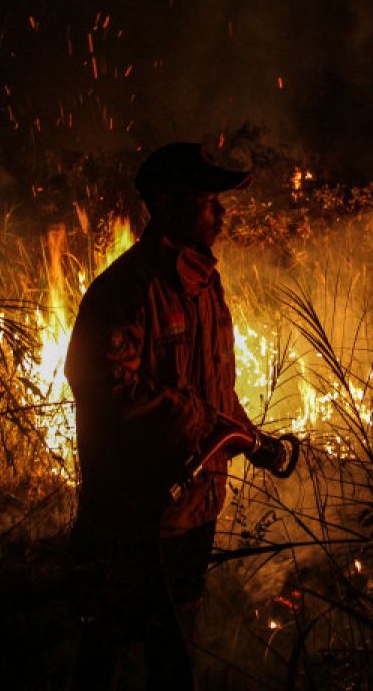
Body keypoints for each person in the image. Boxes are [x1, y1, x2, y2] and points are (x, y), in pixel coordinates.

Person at [64, 142, 259, 689]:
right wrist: (200, 420)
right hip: (140, 515)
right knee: (121, 647)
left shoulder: (205, 285)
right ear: (169, 206)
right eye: (207, 200)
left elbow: (214, 387)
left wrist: (246, 434)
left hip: (197, 509)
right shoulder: (126, 290)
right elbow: (103, 385)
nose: (220, 211)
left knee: (176, 643)